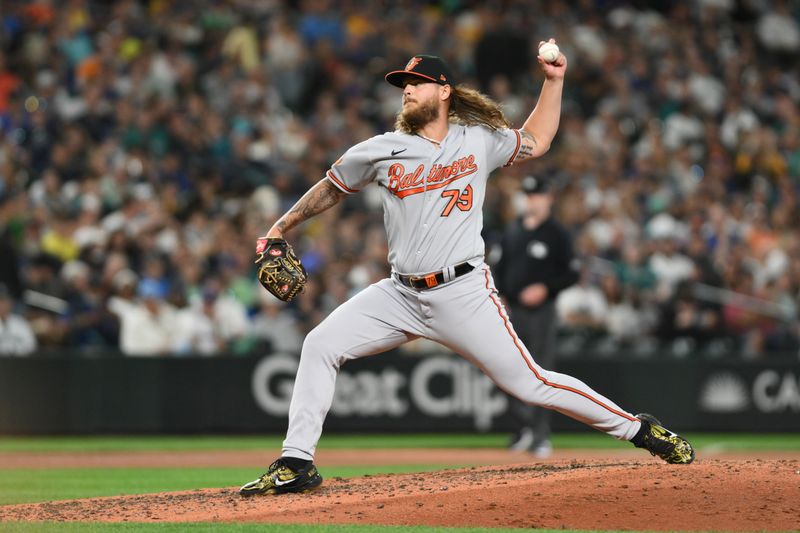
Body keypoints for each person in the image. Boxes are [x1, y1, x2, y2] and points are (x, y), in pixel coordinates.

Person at [240, 42, 695, 497]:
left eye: (415, 83)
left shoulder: (476, 140)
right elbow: (332, 188)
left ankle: (638, 430)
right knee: (320, 344)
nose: (406, 91)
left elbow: (537, 139)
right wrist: (280, 226)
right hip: (399, 295)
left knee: (532, 384)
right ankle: (297, 461)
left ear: (443, 91)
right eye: (403, 85)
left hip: (463, 292)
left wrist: (553, 81)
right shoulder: (381, 150)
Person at [493, 175, 578, 456]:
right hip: (513, 311)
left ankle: (541, 435)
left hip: (542, 313)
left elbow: (572, 272)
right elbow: (499, 269)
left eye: (537, 195)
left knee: (542, 373)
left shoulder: (557, 233)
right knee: (508, 369)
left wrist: (546, 287)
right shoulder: (512, 231)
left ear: (548, 198)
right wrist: (502, 293)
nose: (532, 200)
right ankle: (523, 429)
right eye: (529, 195)